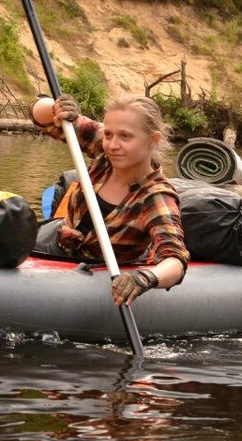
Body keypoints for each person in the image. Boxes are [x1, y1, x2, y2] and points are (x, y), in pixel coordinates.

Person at [29, 93, 188, 306]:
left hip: (96, 268)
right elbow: (41, 118)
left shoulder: (155, 195)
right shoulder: (106, 152)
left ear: (153, 141)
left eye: (125, 136)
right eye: (108, 134)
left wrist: (143, 279)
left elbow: (175, 259)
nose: (113, 145)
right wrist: (56, 107)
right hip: (57, 244)